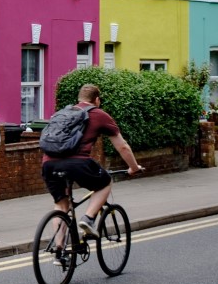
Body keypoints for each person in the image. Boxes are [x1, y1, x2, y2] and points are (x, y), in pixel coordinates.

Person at [41, 84, 143, 238]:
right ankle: (88, 219)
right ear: (97, 100)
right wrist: (133, 167)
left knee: (61, 206)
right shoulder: (99, 114)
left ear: (79, 99)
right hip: (77, 163)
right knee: (105, 183)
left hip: (48, 164)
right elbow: (123, 147)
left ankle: (59, 251)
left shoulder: (62, 113)